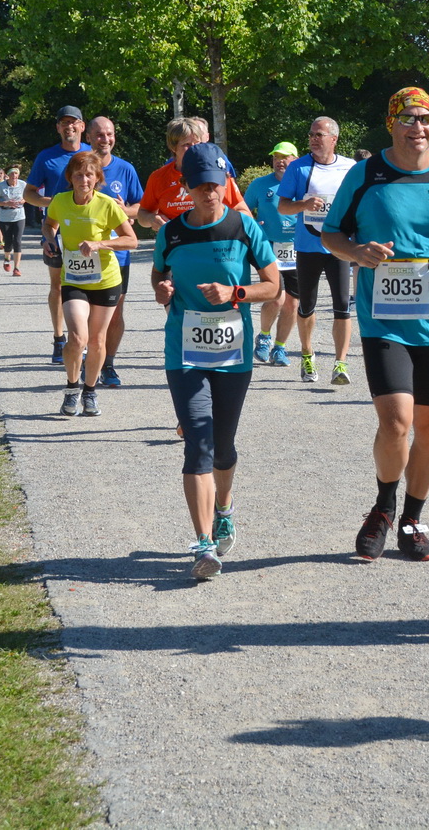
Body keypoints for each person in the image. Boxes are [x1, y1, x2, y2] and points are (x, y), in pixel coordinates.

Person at [322, 89, 429, 562]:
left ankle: (413, 518)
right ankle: (382, 506)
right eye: (408, 120)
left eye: (426, 120)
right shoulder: (367, 173)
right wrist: (356, 252)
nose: (418, 128)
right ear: (390, 122)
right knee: (396, 421)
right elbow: (332, 233)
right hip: (385, 319)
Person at [151, 143, 284, 579]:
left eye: (218, 185)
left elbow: (274, 286)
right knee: (198, 443)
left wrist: (236, 293)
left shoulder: (243, 227)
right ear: (187, 187)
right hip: (184, 352)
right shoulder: (170, 233)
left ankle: (224, 508)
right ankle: (204, 544)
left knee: (223, 447)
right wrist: (162, 292)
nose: (211, 193)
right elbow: (158, 275)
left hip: (233, 352)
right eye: (202, 186)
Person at [44, 150, 137, 417]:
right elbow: (49, 224)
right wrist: (51, 239)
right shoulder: (60, 201)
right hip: (74, 279)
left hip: (106, 280)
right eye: (78, 174)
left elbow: (131, 240)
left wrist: (100, 244)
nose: (84, 180)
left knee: (96, 341)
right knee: (77, 337)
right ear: (70, 177)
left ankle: (90, 391)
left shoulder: (107, 204)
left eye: (89, 175)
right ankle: (72, 388)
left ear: (97, 178)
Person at [278, 116, 358, 385]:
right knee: (307, 306)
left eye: (319, 134)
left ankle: (341, 363)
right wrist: (303, 205)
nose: (313, 139)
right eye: (311, 134)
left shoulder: (350, 168)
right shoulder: (298, 168)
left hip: (340, 248)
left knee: (342, 307)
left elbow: (359, 204)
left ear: (333, 139)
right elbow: (282, 207)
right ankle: (307, 354)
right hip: (308, 247)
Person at [24, 106, 89, 365]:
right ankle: (59, 337)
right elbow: (28, 193)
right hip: (55, 232)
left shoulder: (91, 155)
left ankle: (84, 340)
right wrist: (51, 203)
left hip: (88, 233)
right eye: (64, 123)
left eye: (74, 123)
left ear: (82, 126)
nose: (69, 127)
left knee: (89, 285)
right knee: (58, 286)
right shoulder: (47, 157)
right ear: (58, 128)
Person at [85, 116, 144, 388]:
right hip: (84, 255)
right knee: (85, 311)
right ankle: (88, 358)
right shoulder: (81, 167)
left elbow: (141, 209)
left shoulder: (126, 169)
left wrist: (123, 211)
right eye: (99, 134)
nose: (104, 139)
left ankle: (108, 364)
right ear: (89, 137)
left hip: (117, 256)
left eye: (109, 134)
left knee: (116, 312)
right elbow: (65, 205)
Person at [135, 116, 250, 232]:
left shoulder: (217, 173)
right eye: (187, 144)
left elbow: (243, 211)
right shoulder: (159, 177)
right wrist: (152, 219)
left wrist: (249, 229)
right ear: (173, 147)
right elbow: (142, 215)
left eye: (197, 143)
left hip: (213, 240)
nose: (194, 148)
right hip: (176, 243)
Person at [246, 140, 302, 367]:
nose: (280, 161)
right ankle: (264, 336)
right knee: (276, 297)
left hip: (297, 249)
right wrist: (256, 231)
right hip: (269, 247)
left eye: (285, 157)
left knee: (292, 304)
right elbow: (243, 211)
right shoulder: (260, 184)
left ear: (295, 160)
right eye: (276, 157)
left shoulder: (304, 185)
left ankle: (280, 348)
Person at [0, 164, 28, 275]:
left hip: (19, 215)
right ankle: (7, 259)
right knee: (8, 242)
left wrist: (23, 200)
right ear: (8, 175)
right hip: (5, 216)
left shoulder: (23, 184)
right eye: (12, 173)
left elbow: (28, 196)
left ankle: (16, 268)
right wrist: (5, 203)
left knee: (17, 241)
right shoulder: (1, 186)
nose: (14, 176)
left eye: (16, 173)